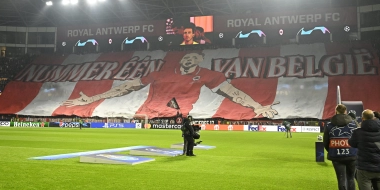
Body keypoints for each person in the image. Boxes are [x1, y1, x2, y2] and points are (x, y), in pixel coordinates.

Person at [63, 52, 279, 119]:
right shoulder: (159, 73)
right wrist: (92, 99)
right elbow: (126, 87)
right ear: (182, 59)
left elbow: (233, 93)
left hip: (180, 114)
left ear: (199, 60)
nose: (189, 60)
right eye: (186, 56)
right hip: (148, 114)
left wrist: (256, 106)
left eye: (194, 57)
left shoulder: (207, 74)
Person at [323, 104, 358, 190]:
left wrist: (332, 151)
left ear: (336, 111)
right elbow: (358, 139)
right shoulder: (354, 123)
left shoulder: (329, 125)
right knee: (351, 178)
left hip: (337, 156)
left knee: (341, 179)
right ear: (345, 111)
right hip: (352, 154)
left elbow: (325, 142)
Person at [349, 109, 380, 190]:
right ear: (373, 118)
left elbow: (352, 143)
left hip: (364, 169)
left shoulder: (358, 132)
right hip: (379, 168)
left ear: (362, 118)